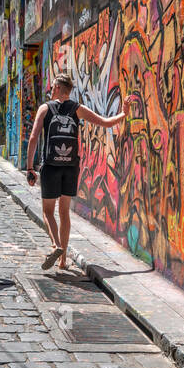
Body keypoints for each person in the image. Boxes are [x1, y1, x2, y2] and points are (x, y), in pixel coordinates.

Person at [26, 71, 125, 271]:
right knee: (64, 212)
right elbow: (105, 122)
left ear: (57, 88)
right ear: (69, 91)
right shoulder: (77, 109)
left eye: (53, 86)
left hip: (51, 167)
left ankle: (56, 246)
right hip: (71, 168)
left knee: (47, 211)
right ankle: (62, 262)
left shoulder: (45, 108)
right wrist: (124, 113)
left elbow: (34, 137)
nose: (51, 89)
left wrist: (30, 168)